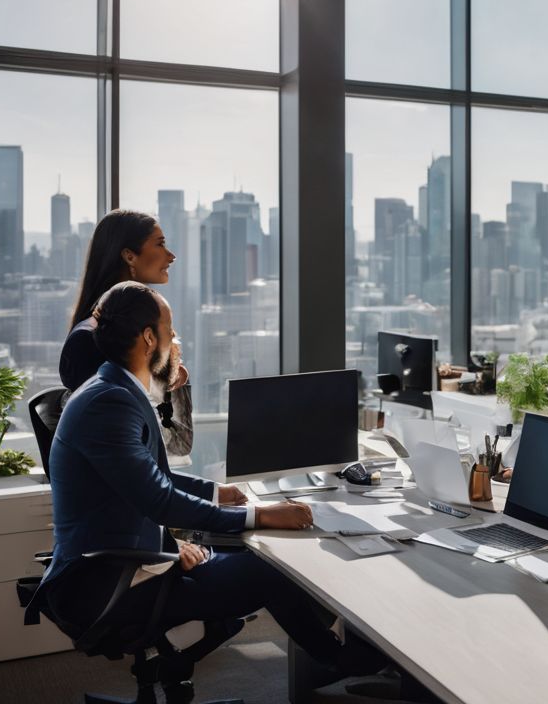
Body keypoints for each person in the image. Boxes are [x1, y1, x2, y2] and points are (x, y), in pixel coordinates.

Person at [39, 282, 382, 680]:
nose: (176, 340)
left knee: (260, 561)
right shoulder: (109, 402)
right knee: (272, 571)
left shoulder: (117, 389)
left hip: (132, 560)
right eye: (171, 331)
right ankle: (337, 660)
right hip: (109, 581)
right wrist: (259, 515)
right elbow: (159, 500)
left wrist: (220, 494)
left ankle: (333, 657)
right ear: (149, 339)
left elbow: (157, 478)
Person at [61, 210, 181, 392]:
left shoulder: (139, 320)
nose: (171, 256)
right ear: (130, 256)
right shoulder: (87, 339)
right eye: (160, 245)